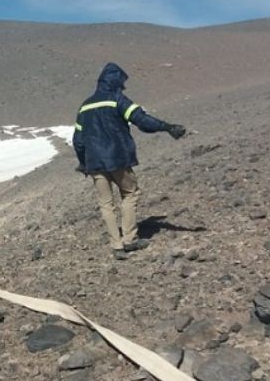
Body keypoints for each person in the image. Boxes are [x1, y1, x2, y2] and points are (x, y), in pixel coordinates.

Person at [73, 62, 186, 260]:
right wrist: (167, 127)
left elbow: (78, 140)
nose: (123, 87)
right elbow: (140, 119)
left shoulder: (85, 105)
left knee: (106, 204)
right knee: (130, 194)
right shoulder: (117, 99)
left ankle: (116, 246)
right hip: (118, 158)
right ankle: (129, 239)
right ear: (115, 82)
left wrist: (83, 162)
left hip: (95, 163)